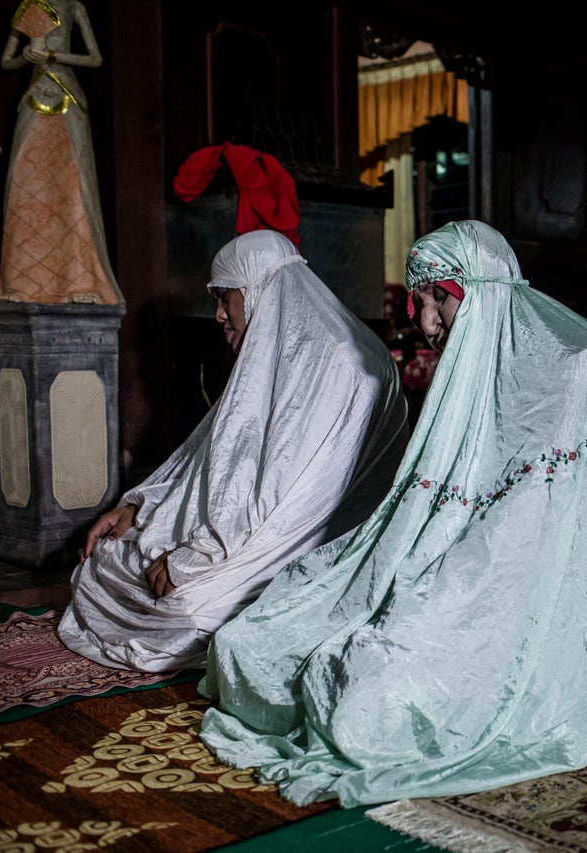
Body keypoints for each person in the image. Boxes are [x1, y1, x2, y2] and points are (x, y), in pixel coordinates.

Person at [197, 220, 587, 807]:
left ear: (482, 288)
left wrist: (429, 596)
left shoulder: (580, 366)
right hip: (442, 564)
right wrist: (396, 579)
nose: (427, 323)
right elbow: (423, 505)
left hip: (511, 598)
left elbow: (530, 539)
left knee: (363, 700)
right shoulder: (470, 361)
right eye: (424, 300)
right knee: (248, 643)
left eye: (440, 297)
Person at [58, 230, 409, 671]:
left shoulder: (335, 360)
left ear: (258, 288)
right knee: (113, 559)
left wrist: (193, 557)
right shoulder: (281, 353)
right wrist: (139, 509)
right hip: (256, 532)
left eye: (226, 298)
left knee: (181, 609)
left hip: (314, 548)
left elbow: (285, 498)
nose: (220, 315)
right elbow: (208, 457)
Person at [0, 0, 122, 304]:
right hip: (33, 97)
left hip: (67, 96)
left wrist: (53, 55)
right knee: (24, 187)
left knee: (74, 188)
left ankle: (80, 280)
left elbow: (95, 58)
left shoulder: (74, 5)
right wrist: (26, 56)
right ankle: (21, 284)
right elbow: (6, 61)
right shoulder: (28, 5)